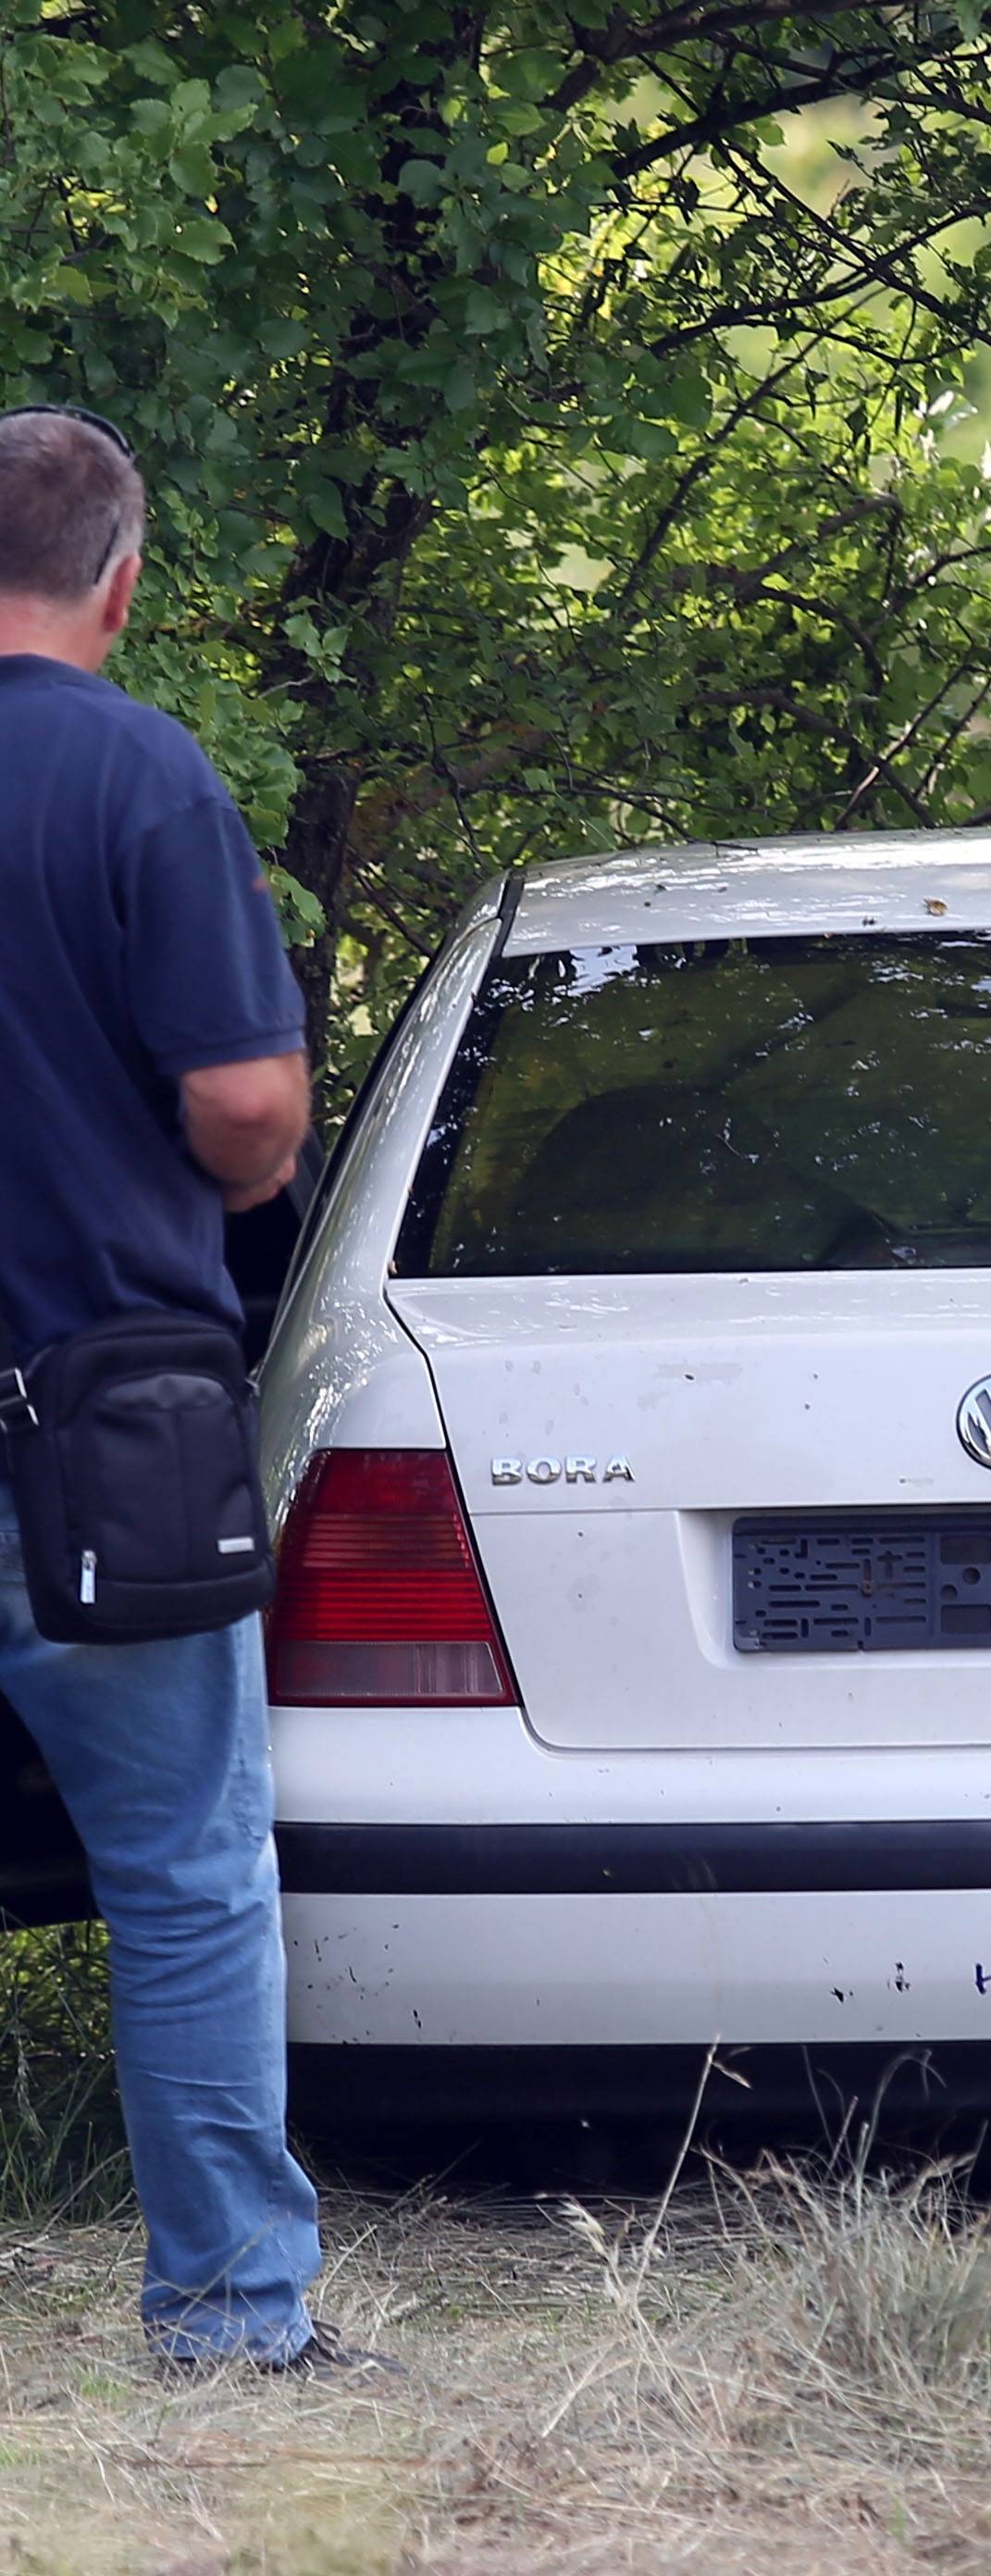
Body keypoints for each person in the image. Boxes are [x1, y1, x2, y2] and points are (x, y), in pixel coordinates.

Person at [0, 405, 373, 2373]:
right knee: (183, 1883)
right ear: (123, 579)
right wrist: (244, 1166)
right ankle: (230, 2311)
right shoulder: (141, 780)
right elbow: (239, 1106)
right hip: (94, 1427)